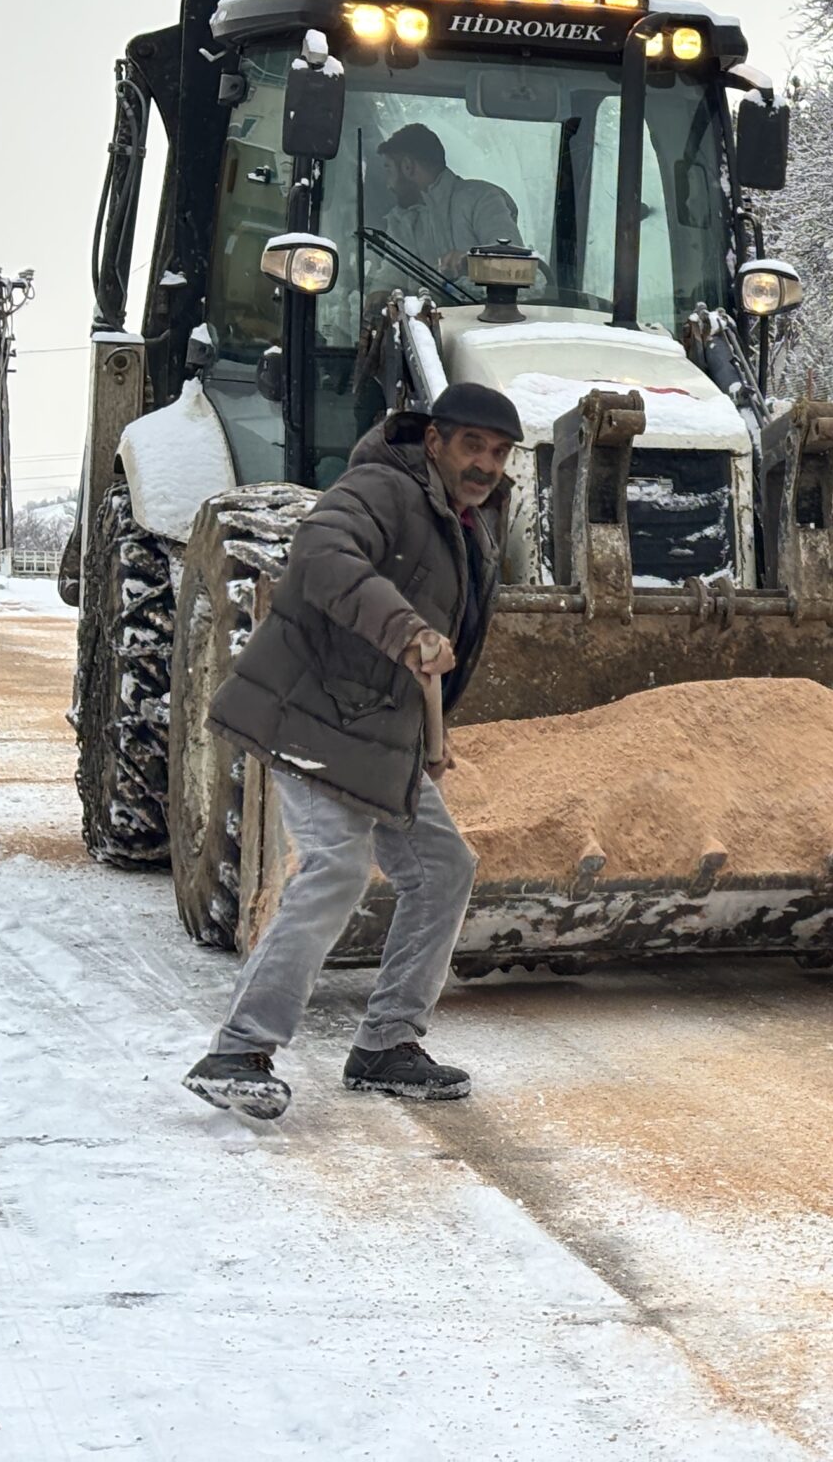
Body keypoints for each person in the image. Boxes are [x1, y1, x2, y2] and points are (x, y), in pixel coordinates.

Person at [181, 382, 523, 1121]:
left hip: (376, 731)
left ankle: (386, 1045)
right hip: (312, 717)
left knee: (442, 868)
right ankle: (238, 1050)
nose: (486, 464)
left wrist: (430, 736)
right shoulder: (380, 487)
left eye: (498, 453)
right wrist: (404, 630)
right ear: (433, 441)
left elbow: (437, 640)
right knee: (337, 865)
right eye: (472, 445)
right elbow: (322, 554)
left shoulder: (465, 521)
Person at [376, 124, 521, 280]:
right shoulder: (401, 220)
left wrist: (471, 262)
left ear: (407, 167)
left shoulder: (481, 199)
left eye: (388, 169)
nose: (388, 185)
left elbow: (513, 264)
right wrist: (380, 290)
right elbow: (392, 274)